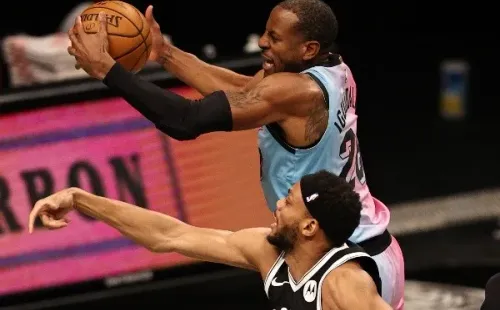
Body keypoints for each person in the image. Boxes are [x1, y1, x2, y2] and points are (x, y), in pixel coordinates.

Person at [67, 0, 404, 308]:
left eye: (274, 37)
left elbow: (186, 120)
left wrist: (109, 72)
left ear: (308, 48)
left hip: (346, 254)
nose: (261, 42)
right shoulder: (333, 69)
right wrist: (166, 54)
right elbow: (245, 93)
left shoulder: (297, 91)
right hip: (353, 235)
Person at [28, 170, 391, 310]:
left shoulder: (345, 284)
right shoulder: (267, 251)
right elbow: (169, 235)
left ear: (310, 228)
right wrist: (79, 199)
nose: (278, 203)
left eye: (289, 201)